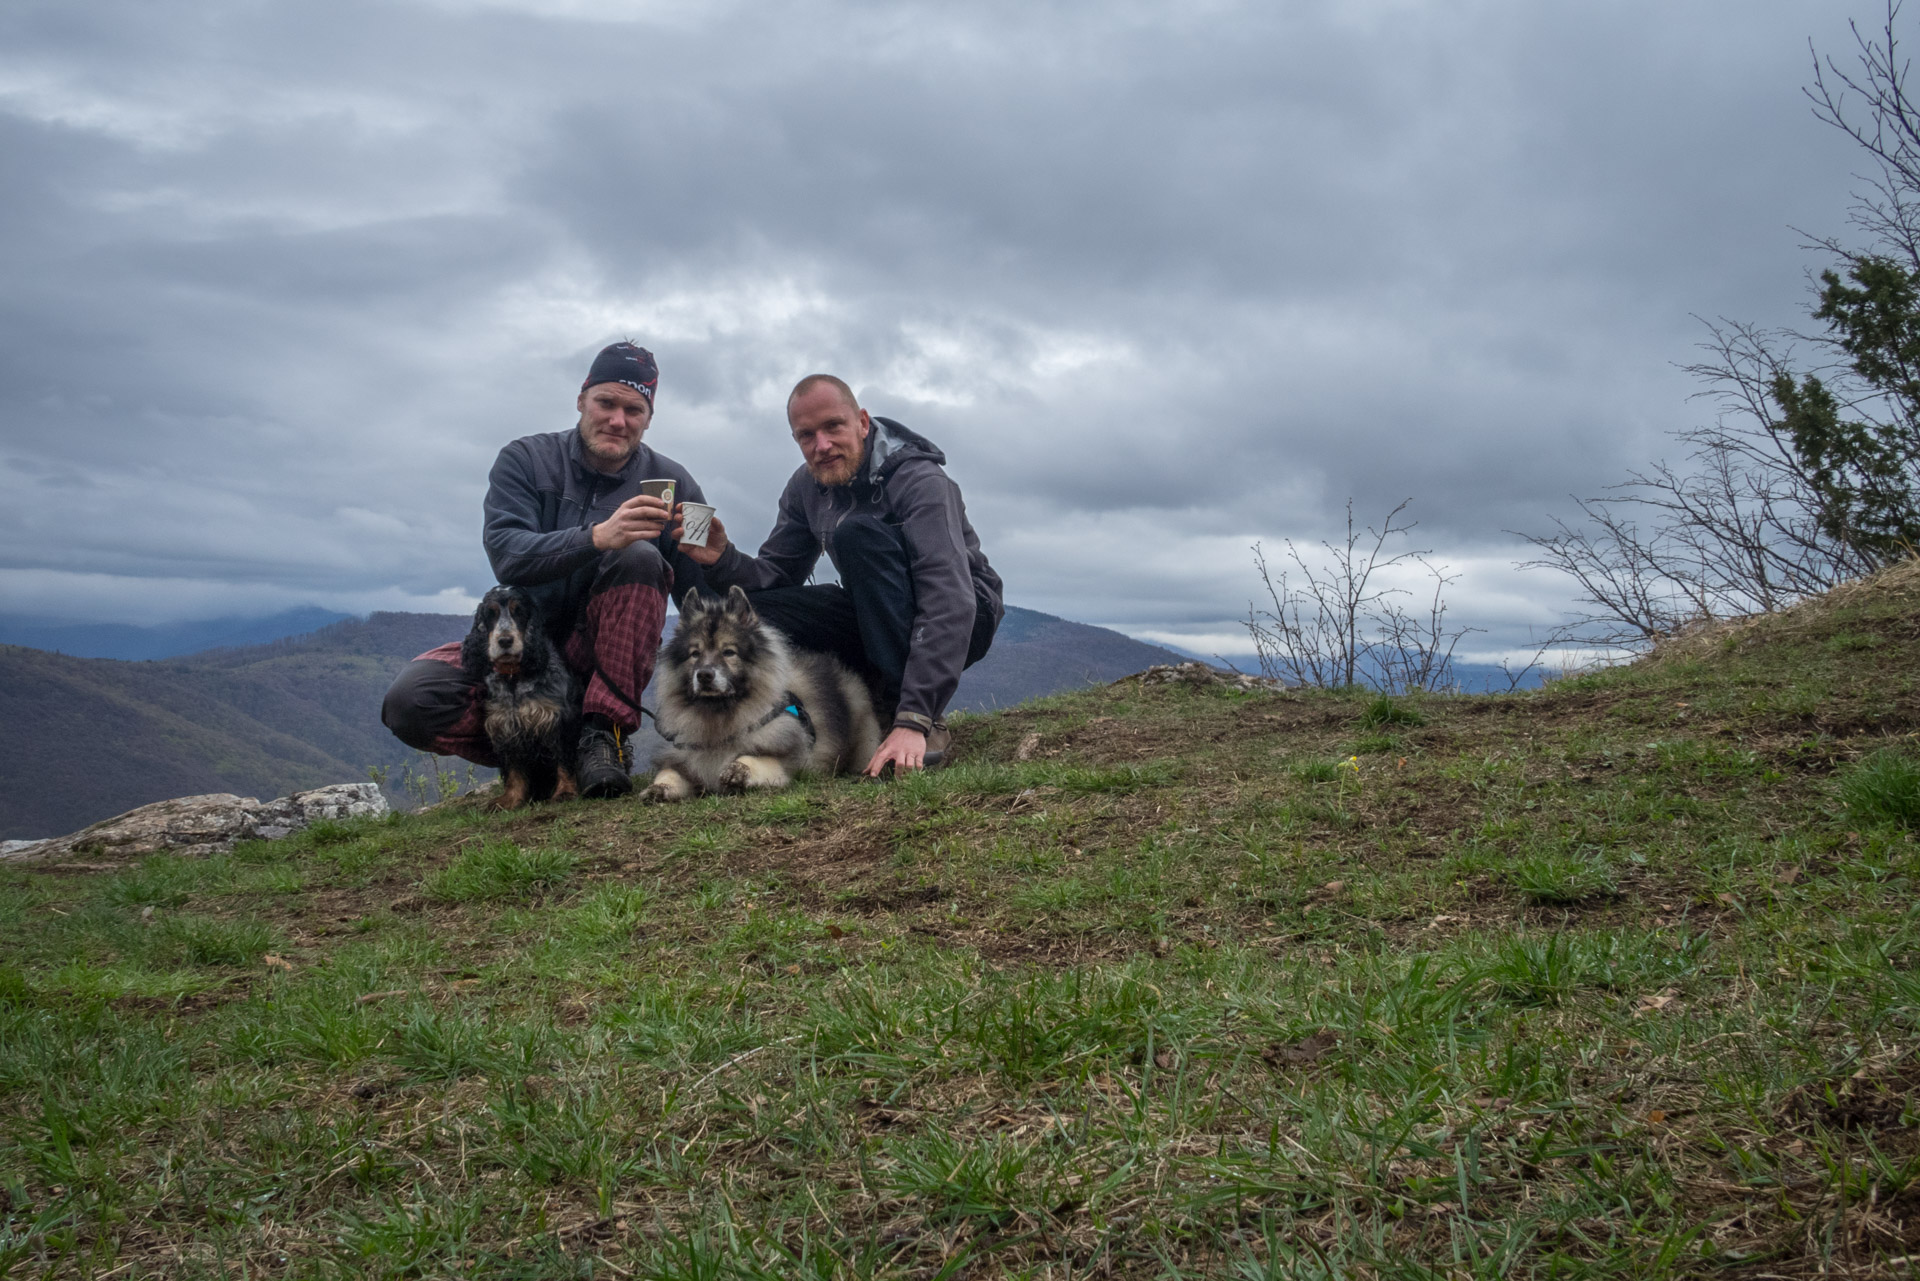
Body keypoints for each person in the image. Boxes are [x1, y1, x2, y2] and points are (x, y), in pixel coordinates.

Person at [381, 341, 711, 798]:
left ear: (650, 417)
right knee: (410, 702)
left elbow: (706, 597)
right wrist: (597, 536)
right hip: (521, 646)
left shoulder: (680, 482)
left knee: (639, 555)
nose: (618, 420)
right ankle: (539, 755)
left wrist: (725, 554)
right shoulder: (523, 459)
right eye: (606, 403)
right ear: (581, 400)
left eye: (634, 409)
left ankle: (603, 738)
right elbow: (506, 553)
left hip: (601, 656)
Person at [679, 373, 1003, 775]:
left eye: (834, 427)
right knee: (753, 615)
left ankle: (912, 716)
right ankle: (769, 725)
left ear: (863, 423)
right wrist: (722, 559)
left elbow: (949, 598)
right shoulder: (806, 487)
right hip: (875, 610)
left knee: (858, 534)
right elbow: (778, 574)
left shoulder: (921, 482)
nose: (823, 445)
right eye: (806, 435)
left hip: (965, 614)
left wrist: (914, 717)